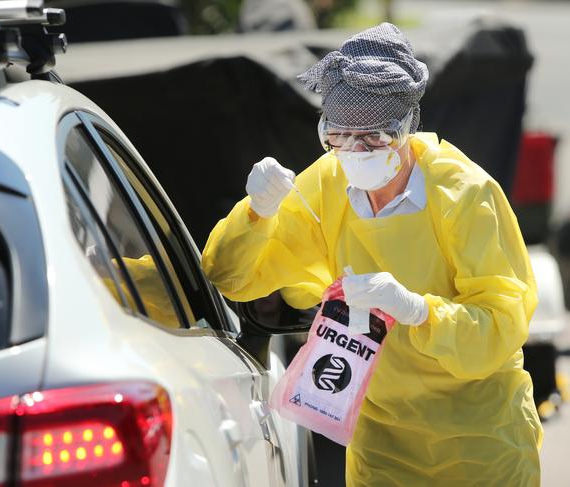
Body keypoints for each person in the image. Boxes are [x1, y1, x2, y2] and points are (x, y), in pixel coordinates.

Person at [201, 22, 542, 486]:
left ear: (406, 129)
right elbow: (232, 276)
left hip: (478, 442)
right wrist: (258, 213)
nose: (355, 152)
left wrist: (419, 310)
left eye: (373, 139)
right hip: (382, 444)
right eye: (339, 137)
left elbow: (502, 326)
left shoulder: (465, 195)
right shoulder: (328, 185)